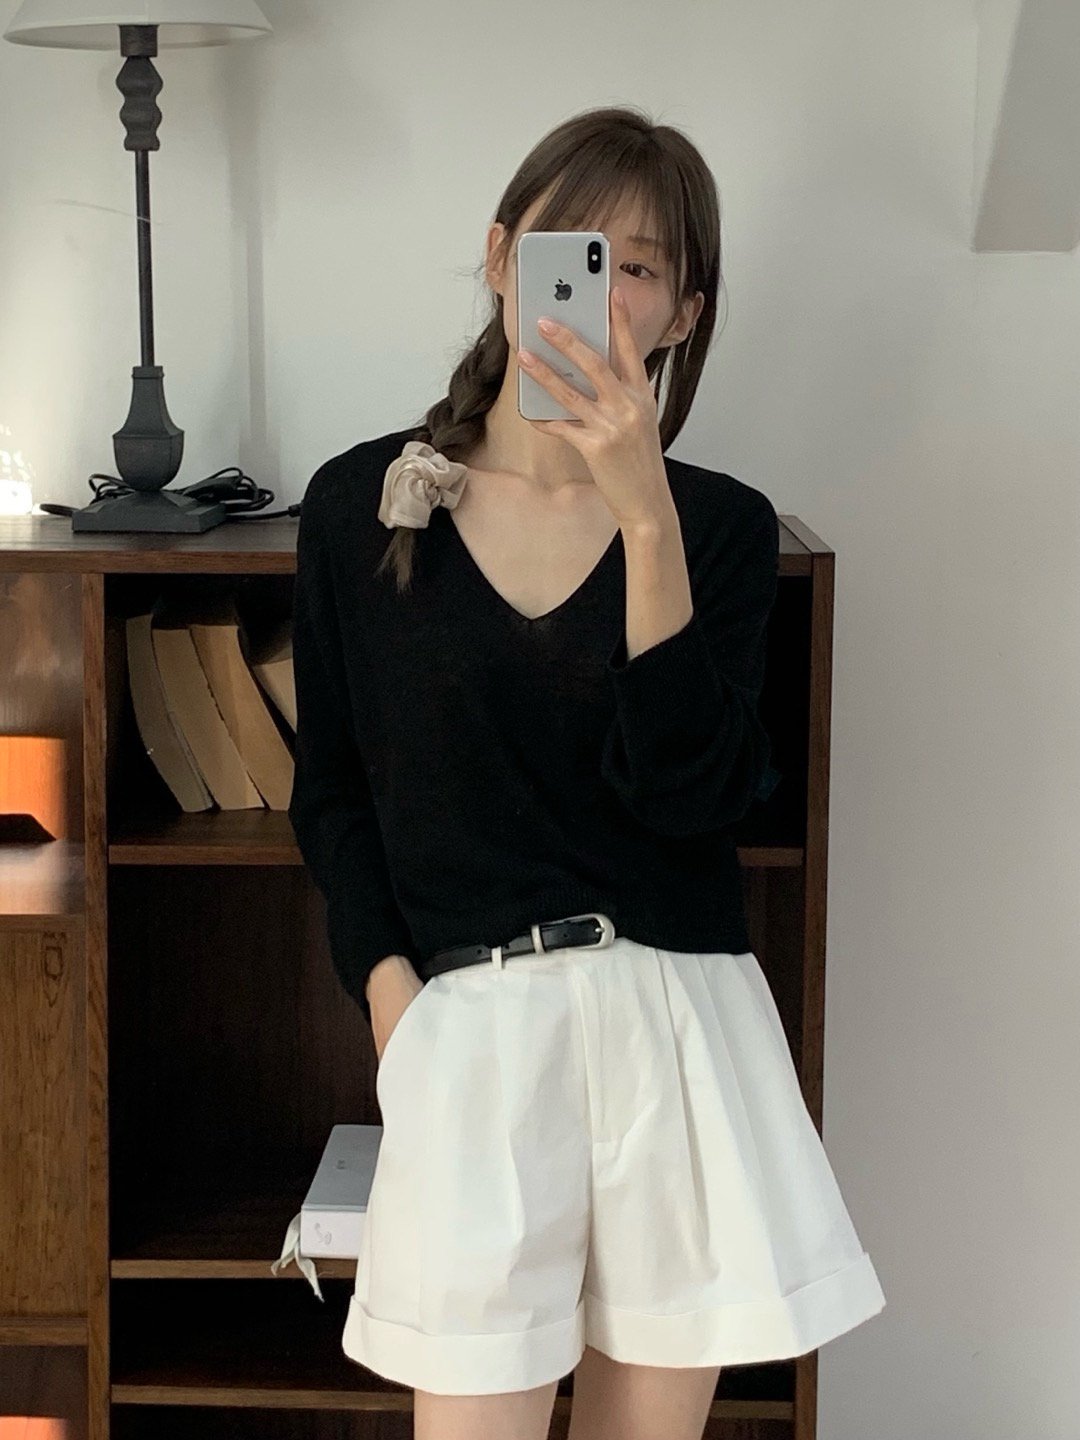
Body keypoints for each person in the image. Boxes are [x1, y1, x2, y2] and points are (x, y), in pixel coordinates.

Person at [287, 104, 885, 1440]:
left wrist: (643, 516)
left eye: (645, 267)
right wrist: (393, 1001)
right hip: (473, 1036)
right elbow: (332, 792)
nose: (606, 292)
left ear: (684, 315)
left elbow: (697, 797)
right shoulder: (358, 504)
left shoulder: (720, 527)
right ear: (506, 258)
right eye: (578, 252)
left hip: (678, 1028)